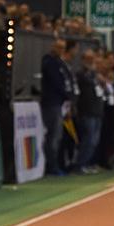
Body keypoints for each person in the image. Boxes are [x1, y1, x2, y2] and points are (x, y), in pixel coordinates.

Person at [40, 38, 73, 176]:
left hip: (60, 104)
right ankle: (51, 166)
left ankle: (56, 164)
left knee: (58, 136)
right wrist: (66, 94)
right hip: (51, 103)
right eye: (58, 47)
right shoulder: (49, 62)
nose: (61, 50)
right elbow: (56, 83)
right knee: (53, 136)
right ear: (52, 47)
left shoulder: (61, 63)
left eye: (63, 48)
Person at [75, 49, 106, 174]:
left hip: (97, 111)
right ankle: (80, 164)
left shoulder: (94, 75)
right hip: (87, 111)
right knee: (88, 139)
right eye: (88, 59)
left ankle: (88, 163)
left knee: (94, 140)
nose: (91, 61)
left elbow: (103, 86)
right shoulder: (80, 74)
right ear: (83, 60)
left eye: (92, 59)